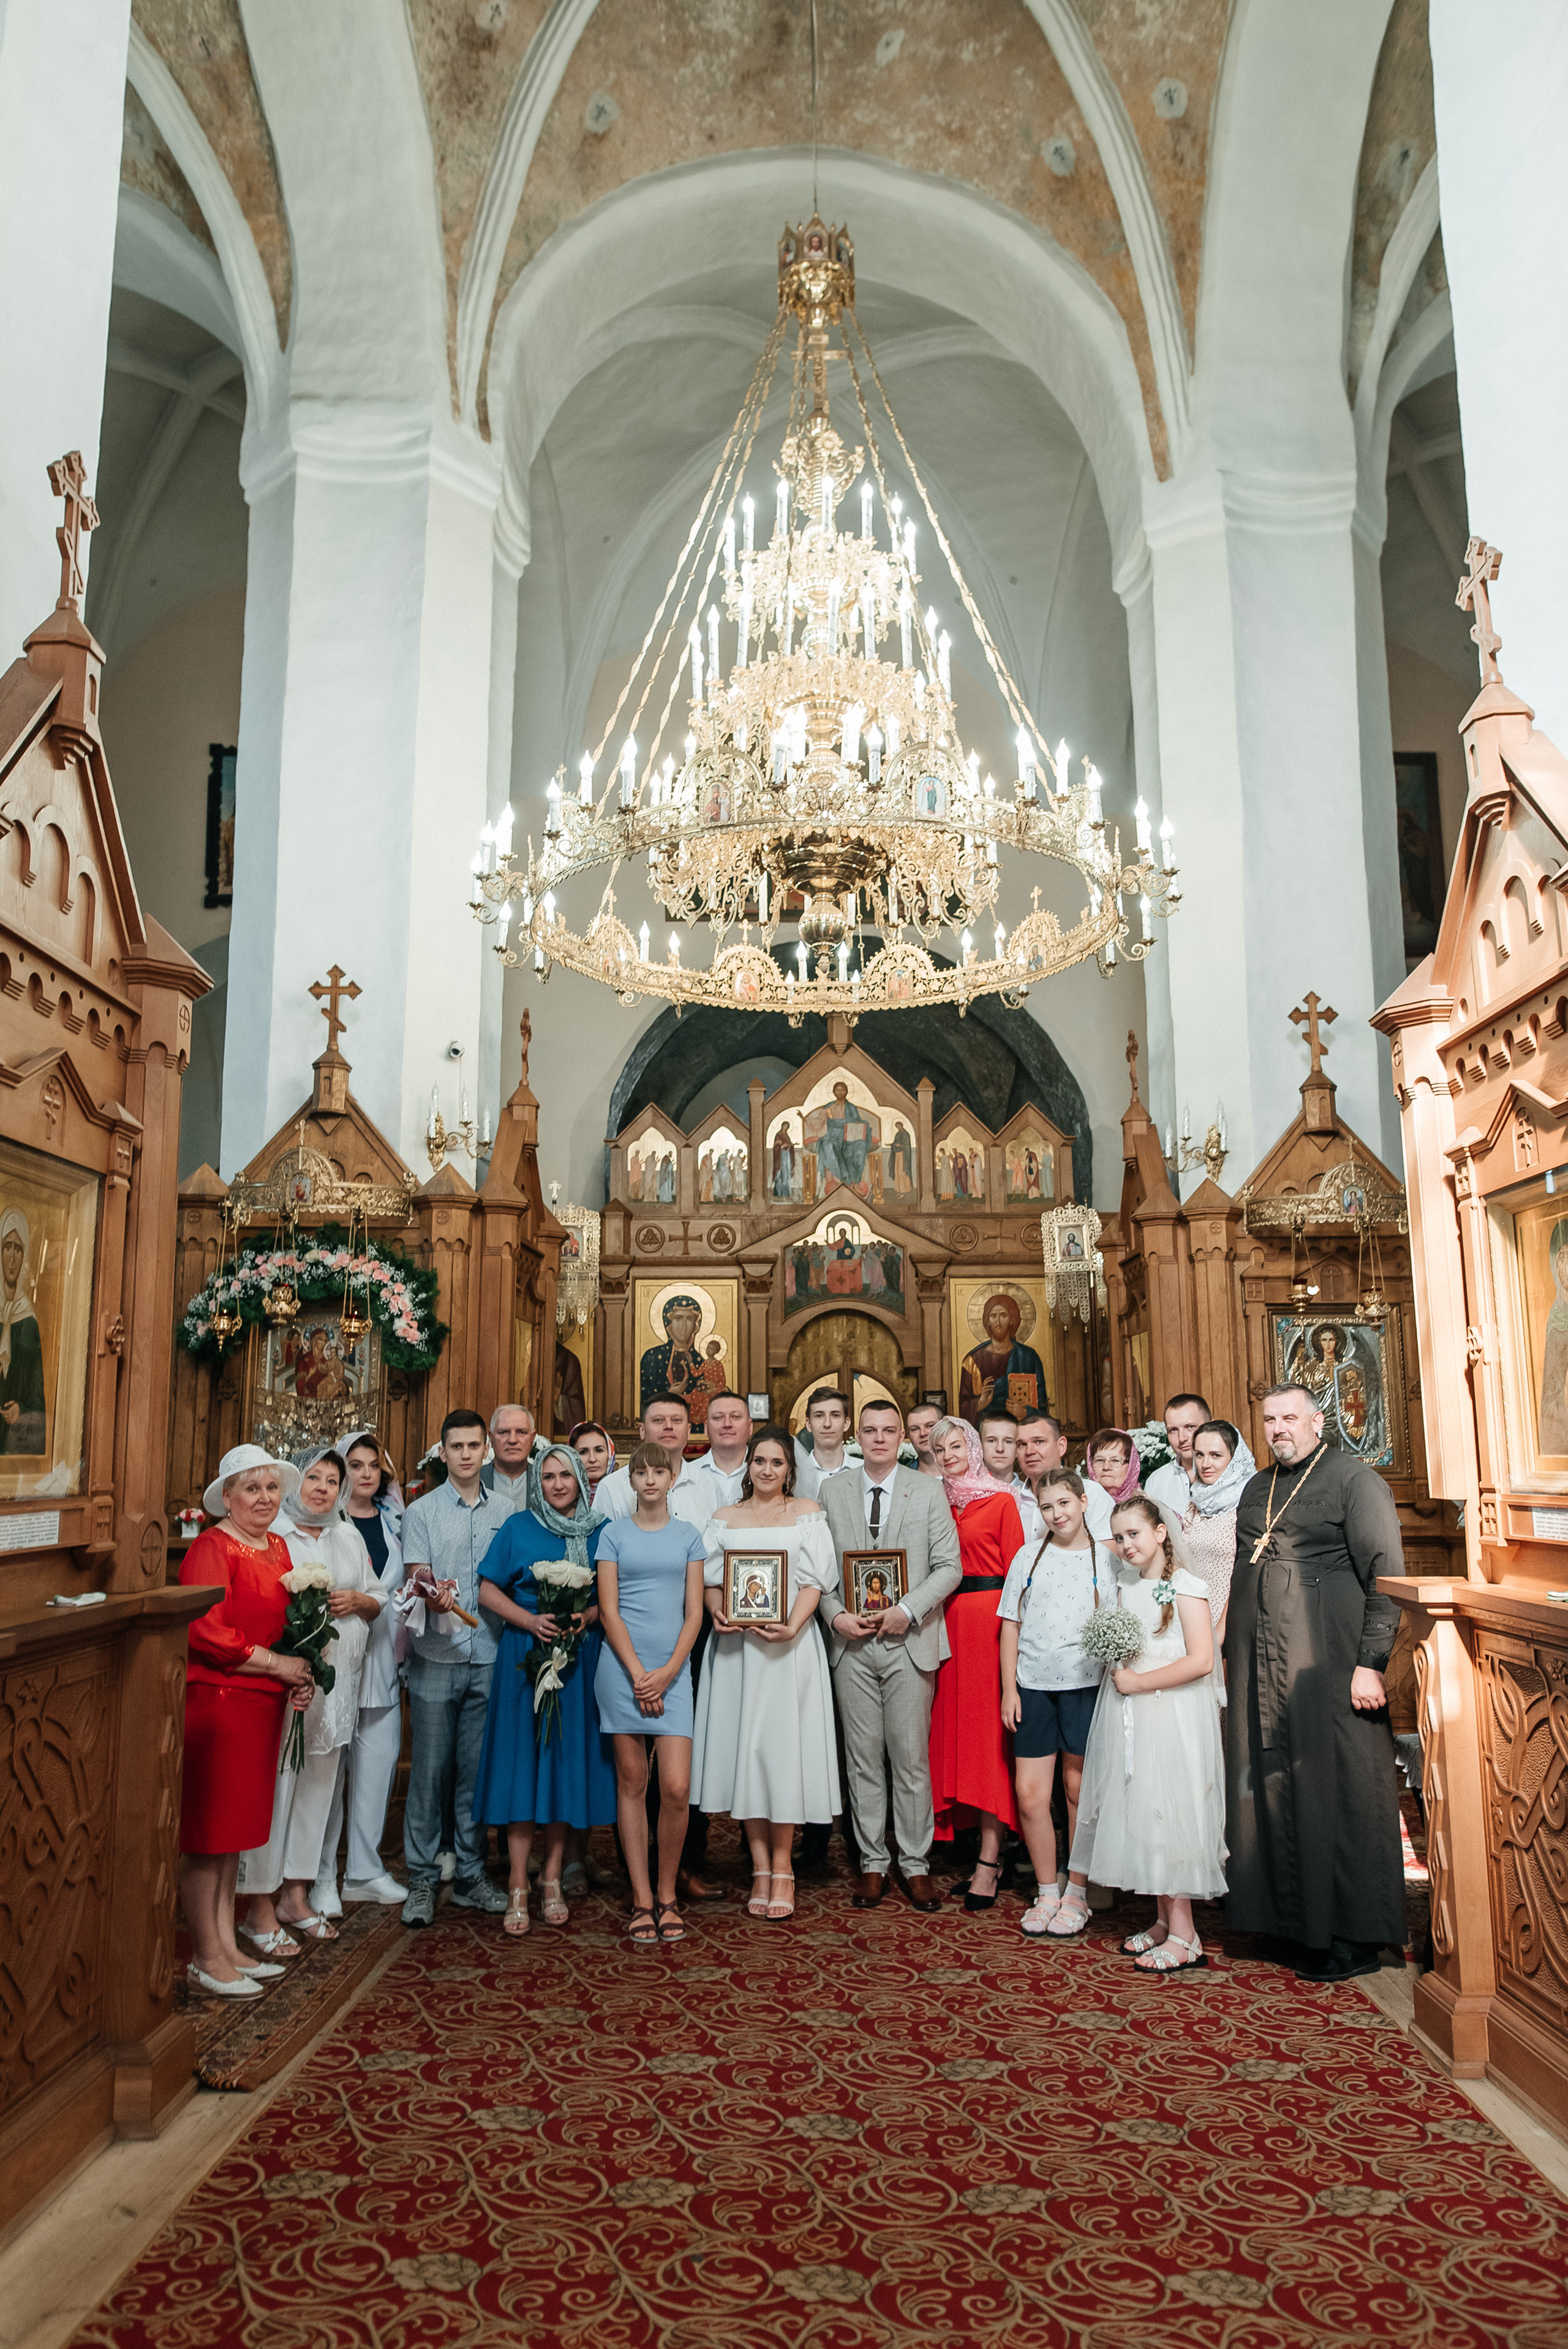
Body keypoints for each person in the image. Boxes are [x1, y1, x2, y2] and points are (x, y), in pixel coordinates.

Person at [1227, 1383, 1406, 1983]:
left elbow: (1387, 1574)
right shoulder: (1258, 1485)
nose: (1278, 1428)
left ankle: (1350, 1936)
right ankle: (1286, 1925)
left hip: (1328, 1668)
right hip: (1261, 1666)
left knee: (1338, 1792)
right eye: (1269, 1419)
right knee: (1269, 1788)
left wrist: (1370, 1662)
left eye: (1288, 1417)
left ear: (1316, 1420)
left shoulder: (1354, 1480)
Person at [1067, 1493, 1225, 1969]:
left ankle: (1186, 1934)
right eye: (1119, 1537)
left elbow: (1201, 1660)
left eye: (1134, 1533)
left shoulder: (1187, 1585)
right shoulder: (1127, 1584)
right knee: (1143, 1810)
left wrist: (1138, 1681)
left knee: (1170, 1814)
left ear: (1160, 1532)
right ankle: (1162, 1920)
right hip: (1131, 1713)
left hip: (1172, 1714)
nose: (1126, 1544)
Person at [178, 1446, 314, 1996]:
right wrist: (279, 1663)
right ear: (227, 1497)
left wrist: (301, 1671)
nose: (263, 1497)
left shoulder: (279, 1544)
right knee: (210, 1833)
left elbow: (293, 1619)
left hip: (264, 1703)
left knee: (235, 1833)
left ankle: (230, 1943)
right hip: (222, 1700)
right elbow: (203, 1629)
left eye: (271, 1487)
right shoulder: (213, 1546)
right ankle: (205, 1956)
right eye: (250, 1488)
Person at [817, 1400, 962, 1912]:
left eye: (889, 1430)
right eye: (870, 1430)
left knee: (910, 1759)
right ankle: (873, 1863)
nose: (879, 1438)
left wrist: (908, 1608)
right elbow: (818, 1571)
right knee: (862, 1760)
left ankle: (917, 1865)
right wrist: (836, 1615)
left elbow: (949, 1566)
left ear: (903, 1436)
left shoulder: (928, 1489)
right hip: (852, 1644)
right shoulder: (832, 1491)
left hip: (909, 1641)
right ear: (858, 1435)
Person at [692, 1425, 842, 1919]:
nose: (767, 1470)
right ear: (749, 1465)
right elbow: (712, 1580)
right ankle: (759, 1865)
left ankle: (784, 1866)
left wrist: (793, 1627)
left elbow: (815, 1580)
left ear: (790, 1470)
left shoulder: (806, 1515)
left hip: (788, 1652)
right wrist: (718, 1611)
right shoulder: (724, 1518)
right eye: (760, 1461)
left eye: (777, 1463)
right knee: (745, 1754)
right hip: (736, 1654)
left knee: (783, 1754)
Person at [238, 1448, 384, 1951]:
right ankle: (258, 1903)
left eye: (331, 1479)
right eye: (313, 1477)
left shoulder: (347, 1533)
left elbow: (376, 1595)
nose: (322, 1487)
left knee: (319, 1790)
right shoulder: (275, 1536)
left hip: (339, 1683)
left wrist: (362, 1602)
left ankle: (295, 1896)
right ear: (294, 1483)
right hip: (290, 1687)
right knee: (278, 1792)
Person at [472, 1445, 618, 1934]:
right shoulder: (518, 1526)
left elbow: (609, 1597)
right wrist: (530, 1620)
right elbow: (488, 1590)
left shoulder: (600, 1530)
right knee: (521, 1769)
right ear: (538, 1481)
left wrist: (588, 1616)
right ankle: (518, 1880)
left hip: (577, 1662)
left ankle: (552, 1876)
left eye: (566, 1475)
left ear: (581, 1478)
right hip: (524, 1657)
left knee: (561, 1769)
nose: (558, 1484)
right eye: (549, 1476)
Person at [398, 1409, 511, 1927]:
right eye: (456, 1447)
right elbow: (415, 1572)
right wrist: (430, 1589)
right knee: (429, 1772)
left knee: (473, 1773)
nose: (466, 1455)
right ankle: (421, 1876)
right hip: (436, 1659)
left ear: (486, 1450)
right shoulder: (420, 1511)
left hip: (488, 1652)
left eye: (473, 1446)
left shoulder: (508, 1511)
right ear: (442, 1453)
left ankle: (469, 1872)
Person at [998, 1469, 1120, 1937]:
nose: (1058, 1513)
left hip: (1087, 1688)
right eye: (1048, 1506)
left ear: (1084, 1502)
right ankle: (1048, 1889)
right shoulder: (1028, 1556)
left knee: (1077, 1790)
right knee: (1030, 1793)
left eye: (1065, 1503)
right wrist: (1010, 1687)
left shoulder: (1106, 1558)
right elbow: (1010, 1623)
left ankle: (1078, 1892)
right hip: (1033, 1687)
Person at [595, 1442, 707, 1946]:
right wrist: (641, 1673)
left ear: (671, 1477)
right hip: (622, 1670)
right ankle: (643, 1898)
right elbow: (609, 1610)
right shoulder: (613, 1534)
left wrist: (666, 1674)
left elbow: (695, 1614)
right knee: (634, 1779)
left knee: (678, 1787)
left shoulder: (689, 1536)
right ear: (632, 1481)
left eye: (658, 1472)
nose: (650, 1480)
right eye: (640, 1473)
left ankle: (668, 1892)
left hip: (673, 1670)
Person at [927, 1415, 1025, 1908]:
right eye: (938, 1449)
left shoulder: (1001, 1500)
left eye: (955, 1446)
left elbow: (1019, 1575)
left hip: (989, 1625)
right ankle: (972, 1847)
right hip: (944, 1625)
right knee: (956, 1738)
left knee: (989, 1741)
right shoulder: (934, 1501)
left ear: (972, 1447)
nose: (948, 1455)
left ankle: (992, 1855)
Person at [320, 1428, 408, 1907]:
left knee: (378, 1762)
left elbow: (397, 1584)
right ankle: (318, 1875)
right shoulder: (327, 1523)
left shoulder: (394, 1519)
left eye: (373, 1465)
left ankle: (364, 1870)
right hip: (338, 1657)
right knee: (329, 1769)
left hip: (383, 1657)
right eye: (356, 1465)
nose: (366, 1473)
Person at [1180, 1418, 1256, 1697]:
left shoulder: (1248, 1504)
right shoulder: (1195, 1502)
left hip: (1233, 1621)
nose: (1205, 1464)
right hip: (1194, 1620)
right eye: (1199, 1455)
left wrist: (1219, 1631)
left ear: (1234, 1459)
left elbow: (1246, 1570)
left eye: (1216, 1455)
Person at [1016, 1410, 1114, 1544]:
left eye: (1039, 1442)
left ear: (1061, 1446)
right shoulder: (1011, 1498)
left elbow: (1108, 1555)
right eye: (1022, 1445)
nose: (1029, 1452)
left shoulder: (1091, 1493)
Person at [958, 1292, 1049, 1424]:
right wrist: (980, 1404)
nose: (998, 1322)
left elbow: (1042, 1405)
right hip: (985, 1431)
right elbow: (963, 1406)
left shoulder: (1029, 1357)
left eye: (1003, 1316)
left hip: (1020, 1429)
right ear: (987, 1321)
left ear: (1012, 1320)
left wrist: (1025, 1412)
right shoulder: (972, 1361)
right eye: (993, 1316)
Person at [0, 1207, 45, 1454]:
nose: (13, 1258)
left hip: (12, 1442)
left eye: (19, 1249)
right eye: (8, 1246)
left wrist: (22, 1412)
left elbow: (38, 1398)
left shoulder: (28, 1321)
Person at [1144, 1393, 1212, 1514]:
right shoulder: (1156, 1480)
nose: (1182, 1438)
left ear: (1210, 1426)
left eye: (1190, 1427)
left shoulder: (1231, 1476)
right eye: (1173, 1430)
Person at [482, 1402, 541, 1514]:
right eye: (503, 1432)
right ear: (491, 1438)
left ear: (532, 1438)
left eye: (521, 1432)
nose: (512, 1440)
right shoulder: (475, 1481)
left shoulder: (546, 1480)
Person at [794, 1386, 849, 1500]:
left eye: (835, 1415)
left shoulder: (864, 1470)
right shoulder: (795, 1475)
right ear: (808, 1424)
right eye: (819, 1416)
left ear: (846, 1424)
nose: (827, 1424)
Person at [1085, 1428, 1142, 1509]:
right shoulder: (1081, 1505)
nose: (1106, 1467)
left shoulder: (1145, 1508)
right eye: (1100, 1460)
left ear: (1131, 1467)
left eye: (1115, 1461)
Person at [568, 1420, 614, 1498]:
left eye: (599, 1450)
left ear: (610, 1454)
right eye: (583, 1452)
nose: (592, 1459)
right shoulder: (562, 1495)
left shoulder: (626, 1492)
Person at [907, 1402, 943, 1476]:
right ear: (908, 1435)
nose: (922, 1433)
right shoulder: (902, 1481)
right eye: (915, 1429)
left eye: (929, 1426)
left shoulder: (969, 1472)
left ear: (944, 1427)